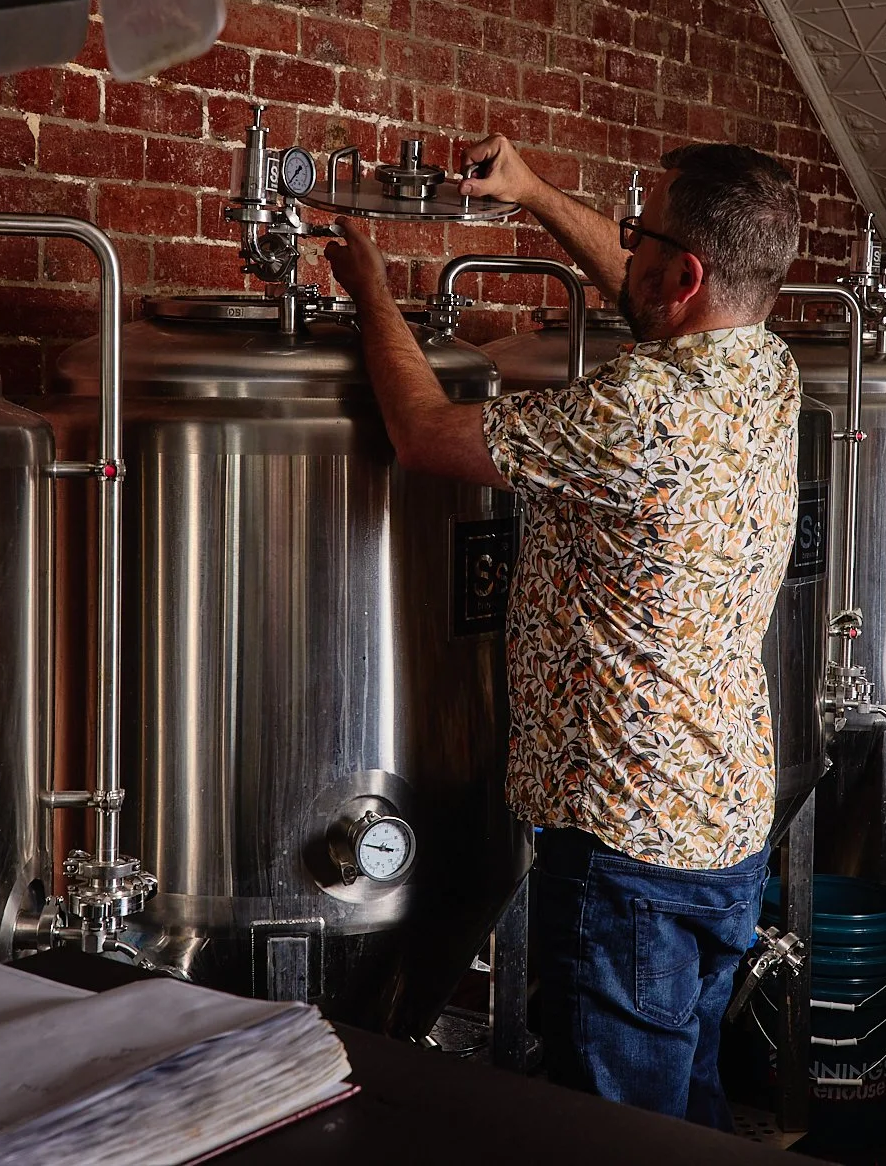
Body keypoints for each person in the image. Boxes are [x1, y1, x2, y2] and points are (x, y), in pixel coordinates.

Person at [322, 134, 801, 1127]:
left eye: (639, 238)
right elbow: (646, 286)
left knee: (615, 1133)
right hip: (722, 824)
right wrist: (535, 192)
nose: (620, 251)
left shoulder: (642, 410)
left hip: (628, 853)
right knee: (689, 1117)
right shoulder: (765, 364)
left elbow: (419, 432)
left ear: (686, 271)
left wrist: (368, 286)